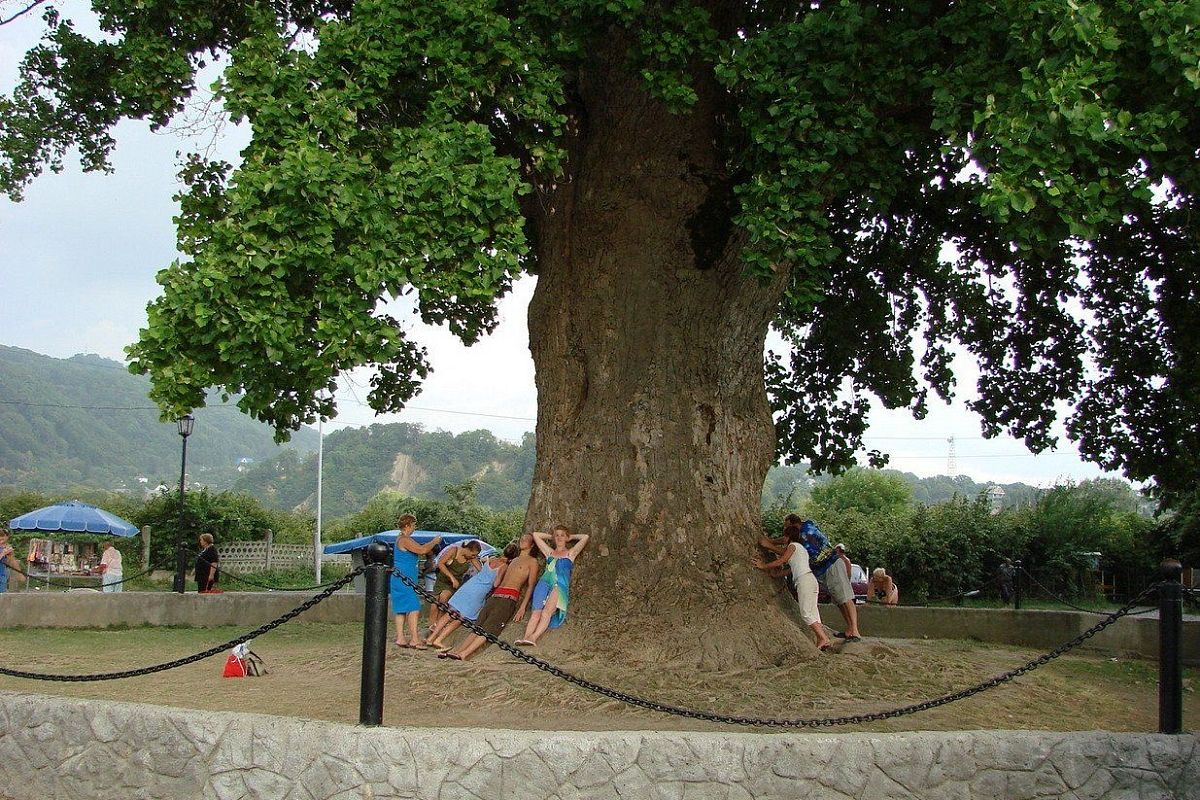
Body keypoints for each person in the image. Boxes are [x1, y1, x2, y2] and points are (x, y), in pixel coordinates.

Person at [760, 514, 862, 642]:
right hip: (821, 570)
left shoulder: (805, 535)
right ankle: (849, 629)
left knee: (845, 597)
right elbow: (788, 543)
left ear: (793, 525)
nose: (785, 532)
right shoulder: (802, 532)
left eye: (787, 528)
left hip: (831, 565)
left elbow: (788, 553)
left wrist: (769, 546)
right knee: (839, 599)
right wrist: (772, 541)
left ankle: (855, 631)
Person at [441, 533, 540, 661]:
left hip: (508, 598)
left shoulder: (532, 562)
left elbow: (531, 585)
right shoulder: (513, 561)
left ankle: (465, 654)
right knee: (478, 626)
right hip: (495, 595)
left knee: (490, 628)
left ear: (532, 545)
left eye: (527, 539)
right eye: (522, 538)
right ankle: (458, 651)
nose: (523, 540)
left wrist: (522, 607)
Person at [753, 525, 831, 651]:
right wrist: (777, 574)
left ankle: (823, 638)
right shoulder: (801, 549)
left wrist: (763, 565)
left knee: (806, 612)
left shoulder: (792, 546)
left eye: (784, 536)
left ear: (787, 537)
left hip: (804, 581)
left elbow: (781, 560)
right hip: (810, 579)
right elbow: (791, 568)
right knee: (813, 611)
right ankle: (821, 639)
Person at [426, 543, 516, 652]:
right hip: (479, 592)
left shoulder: (491, 558)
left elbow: (481, 569)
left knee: (450, 613)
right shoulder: (504, 566)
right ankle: (439, 640)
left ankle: (431, 638)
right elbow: (496, 583)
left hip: (469, 586)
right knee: (460, 618)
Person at [515, 525, 589, 647]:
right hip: (544, 582)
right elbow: (536, 535)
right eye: (557, 535)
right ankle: (525, 637)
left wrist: (570, 537)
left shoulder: (570, 553)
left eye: (562, 535)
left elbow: (585, 537)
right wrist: (552, 536)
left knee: (546, 613)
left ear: (567, 537)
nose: (559, 537)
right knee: (536, 612)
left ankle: (533, 637)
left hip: (559, 585)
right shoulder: (549, 552)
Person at [391, 514, 442, 649]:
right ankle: (414, 639)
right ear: (407, 526)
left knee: (401, 609)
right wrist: (434, 541)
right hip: (403, 579)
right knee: (414, 607)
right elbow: (422, 549)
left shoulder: (401, 539)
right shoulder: (404, 539)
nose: (414, 528)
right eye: (413, 525)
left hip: (402, 578)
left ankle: (401, 637)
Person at [427, 541, 483, 633]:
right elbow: (440, 563)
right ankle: (431, 627)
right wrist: (452, 577)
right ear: (468, 549)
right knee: (434, 604)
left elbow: (481, 571)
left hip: (453, 585)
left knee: (443, 598)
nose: (474, 557)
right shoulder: (454, 550)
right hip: (442, 580)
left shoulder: (471, 558)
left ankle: (439, 625)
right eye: (473, 554)